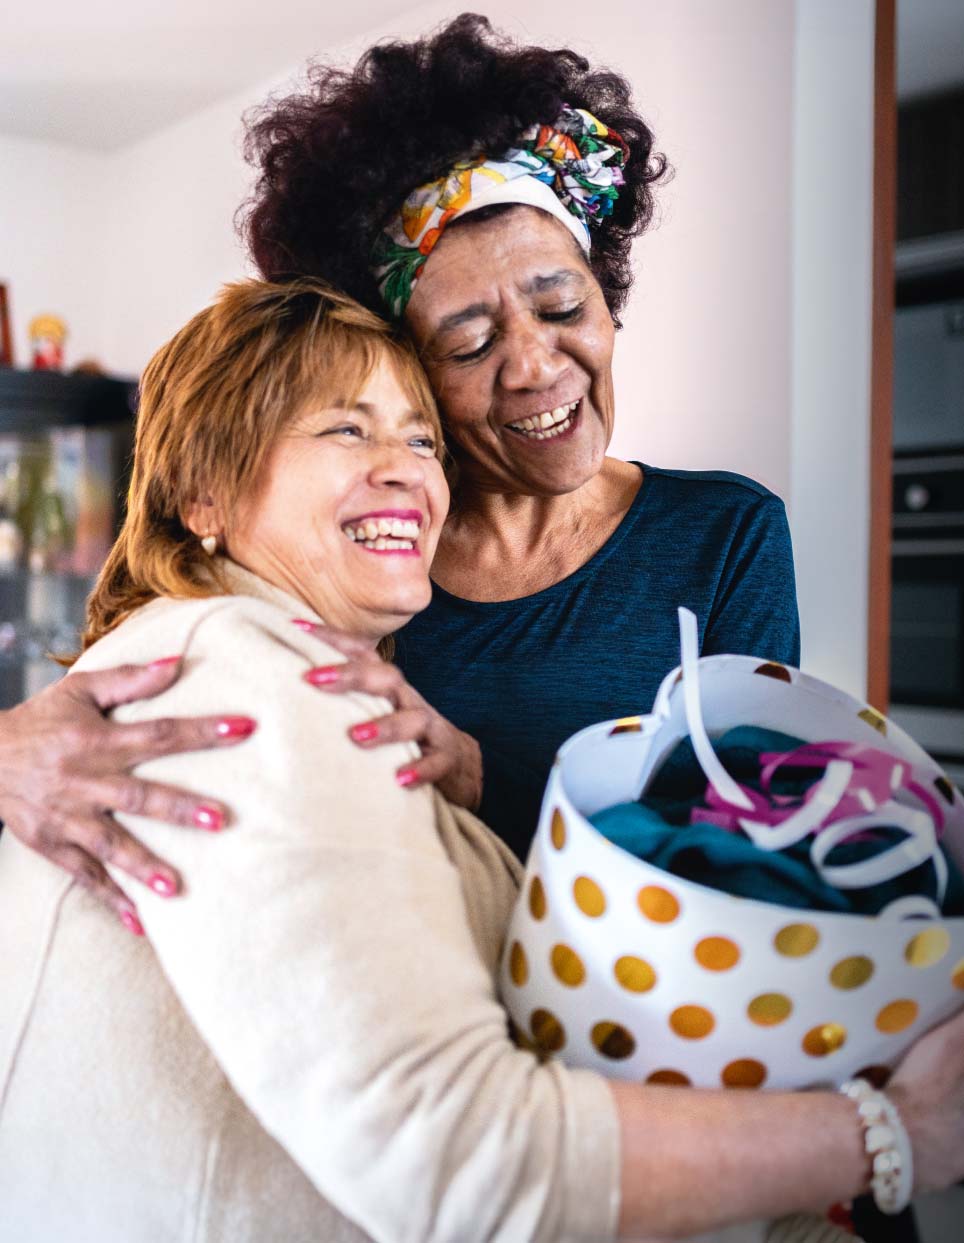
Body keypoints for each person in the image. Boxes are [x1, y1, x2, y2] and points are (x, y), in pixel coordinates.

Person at [3, 275, 964, 1243]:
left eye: (420, 440)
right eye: (346, 430)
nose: (407, 470)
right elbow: (457, 1159)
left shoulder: (234, 661)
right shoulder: (247, 674)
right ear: (202, 492)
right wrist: (896, 1133)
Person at [0, 14, 799, 918]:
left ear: (606, 299)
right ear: (408, 373)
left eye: (561, 303)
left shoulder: (726, 537)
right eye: (469, 342)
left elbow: (754, 860)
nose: (535, 364)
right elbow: (146, 671)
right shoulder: (361, 560)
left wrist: (487, 781)